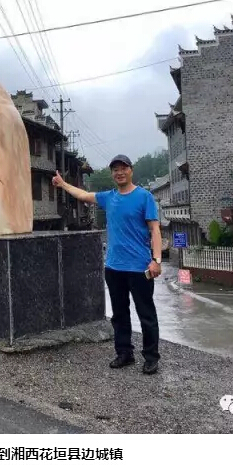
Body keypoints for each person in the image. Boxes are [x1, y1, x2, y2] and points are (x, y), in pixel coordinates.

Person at [52, 154, 162, 374]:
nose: (119, 173)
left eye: (123, 168)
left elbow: (155, 229)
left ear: (131, 170)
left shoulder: (144, 196)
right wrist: (63, 184)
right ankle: (124, 353)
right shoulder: (108, 197)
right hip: (113, 267)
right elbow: (83, 194)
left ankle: (151, 357)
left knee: (146, 314)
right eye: (115, 169)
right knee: (119, 314)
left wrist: (156, 260)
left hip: (139, 267)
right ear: (112, 174)